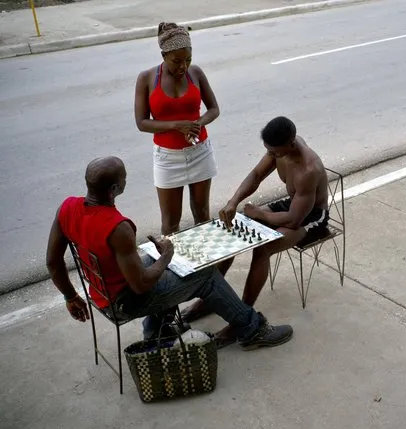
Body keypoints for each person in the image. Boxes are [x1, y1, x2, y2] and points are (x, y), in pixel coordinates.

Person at [45, 156, 293, 351]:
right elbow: (141, 285)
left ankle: (157, 331)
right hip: (125, 301)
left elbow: (53, 262)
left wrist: (70, 296)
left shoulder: (67, 207)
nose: (126, 180)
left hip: (101, 293)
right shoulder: (117, 227)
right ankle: (252, 330)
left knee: (156, 259)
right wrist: (166, 255)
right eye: (124, 177)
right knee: (204, 273)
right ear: (115, 188)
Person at [181, 116, 329, 326]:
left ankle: (242, 317)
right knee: (231, 231)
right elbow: (257, 174)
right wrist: (233, 202)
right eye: (269, 151)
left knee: (263, 249)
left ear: (291, 143)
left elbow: (294, 220)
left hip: (311, 217)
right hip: (292, 204)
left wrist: (259, 214)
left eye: (275, 152)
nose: (272, 155)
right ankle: (207, 300)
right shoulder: (277, 149)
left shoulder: (308, 169)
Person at [134, 22, 220, 236]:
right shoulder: (146, 79)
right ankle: (172, 266)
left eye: (188, 60)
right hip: (167, 159)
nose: (183, 66)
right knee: (171, 223)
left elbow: (214, 109)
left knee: (202, 214)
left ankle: (204, 266)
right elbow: (142, 123)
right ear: (164, 55)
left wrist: (198, 123)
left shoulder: (195, 73)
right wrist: (176, 125)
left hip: (200, 152)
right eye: (177, 61)